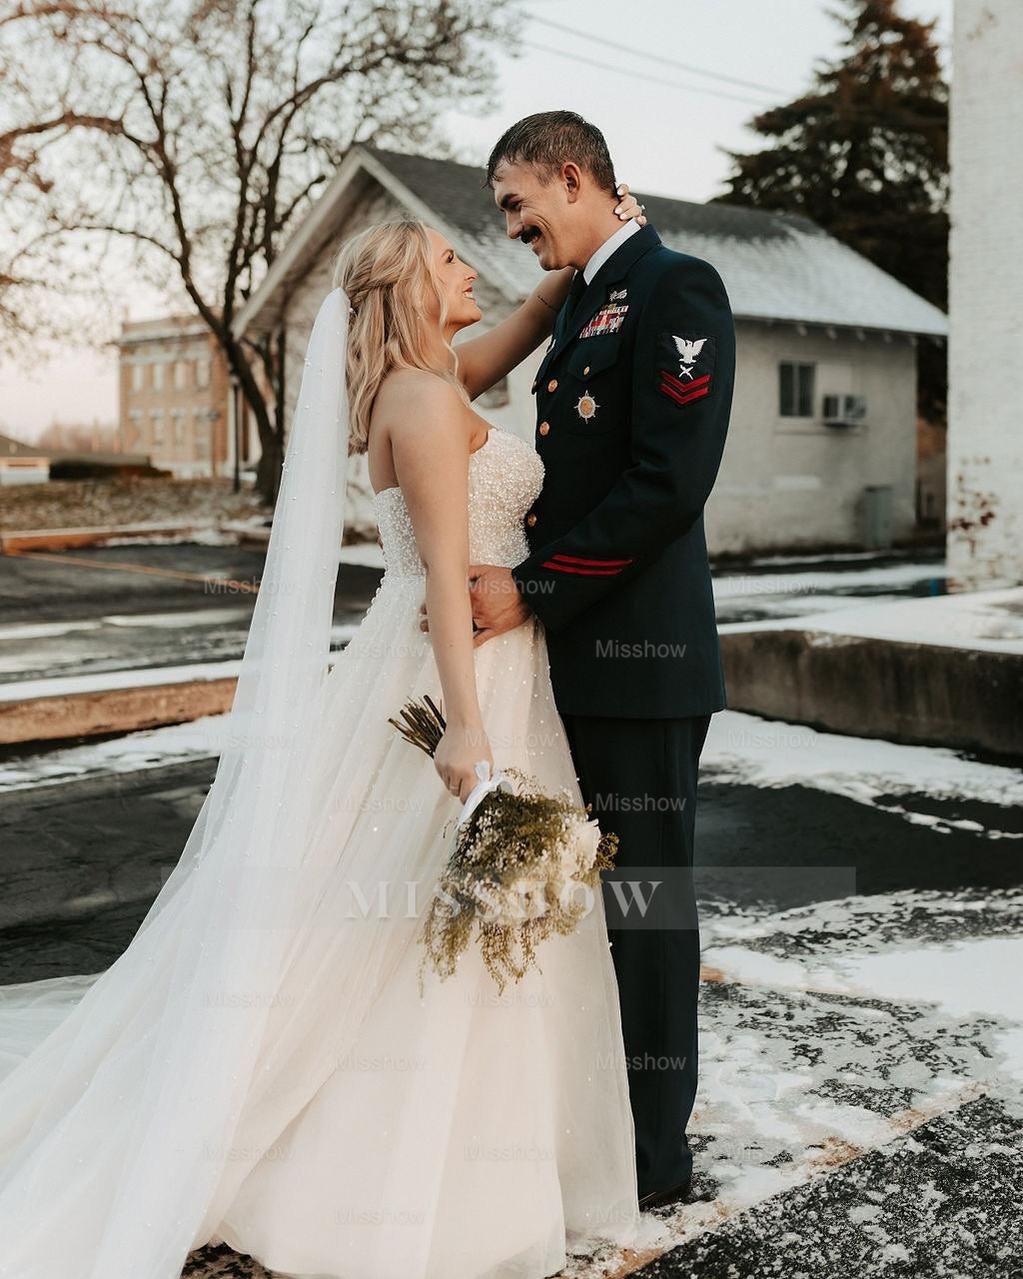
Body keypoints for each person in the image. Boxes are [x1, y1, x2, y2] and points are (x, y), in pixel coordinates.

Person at [0, 189, 655, 1276]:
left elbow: (510, 336)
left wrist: (584, 256)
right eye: (450, 260)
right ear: (408, 288)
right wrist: (467, 726)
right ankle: (382, 1167)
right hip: (454, 670)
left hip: (480, 657)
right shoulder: (418, 399)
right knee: (408, 915)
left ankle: (485, 1154)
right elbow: (445, 570)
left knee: (431, 913)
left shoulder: (436, 381)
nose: (469, 268)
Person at [464, 111, 736, 1210]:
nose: (515, 229)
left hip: (642, 662)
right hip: (580, 659)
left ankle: (655, 1162)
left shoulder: (679, 288)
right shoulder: (581, 298)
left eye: (520, 206)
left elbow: (667, 484)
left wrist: (532, 590)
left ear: (573, 179)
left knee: (647, 908)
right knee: (590, 908)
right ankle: (596, 1128)